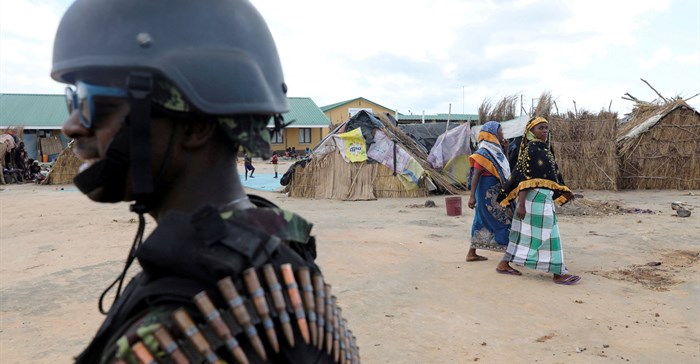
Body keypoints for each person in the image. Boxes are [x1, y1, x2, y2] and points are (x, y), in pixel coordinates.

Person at [52, 0, 359, 362]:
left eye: (91, 102)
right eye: (71, 100)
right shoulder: (275, 248)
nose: (71, 126)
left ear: (195, 126)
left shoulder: (179, 317)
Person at [497, 117, 580, 285]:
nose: (544, 131)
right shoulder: (532, 150)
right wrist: (521, 205)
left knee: (524, 233)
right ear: (530, 132)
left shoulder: (544, 150)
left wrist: (564, 192)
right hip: (533, 199)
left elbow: (551, 176)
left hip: (544, 198)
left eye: (546, 128)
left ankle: (504, 263)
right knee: (549, 234)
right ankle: (558, 273)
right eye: (540, 128)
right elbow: (524, 178)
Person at [466, 121, 515, 264]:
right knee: (503, 219)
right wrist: (471, 197)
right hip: (486, 193)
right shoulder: (483, 153)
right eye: (500, 131)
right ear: (492, 134)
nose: (502, 134)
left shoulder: (496, 151)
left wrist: (506, 150)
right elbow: (475, 175)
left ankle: (472, 253)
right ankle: (509, 254)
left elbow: (505, 167)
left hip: (496, 191)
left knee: (481, 220)